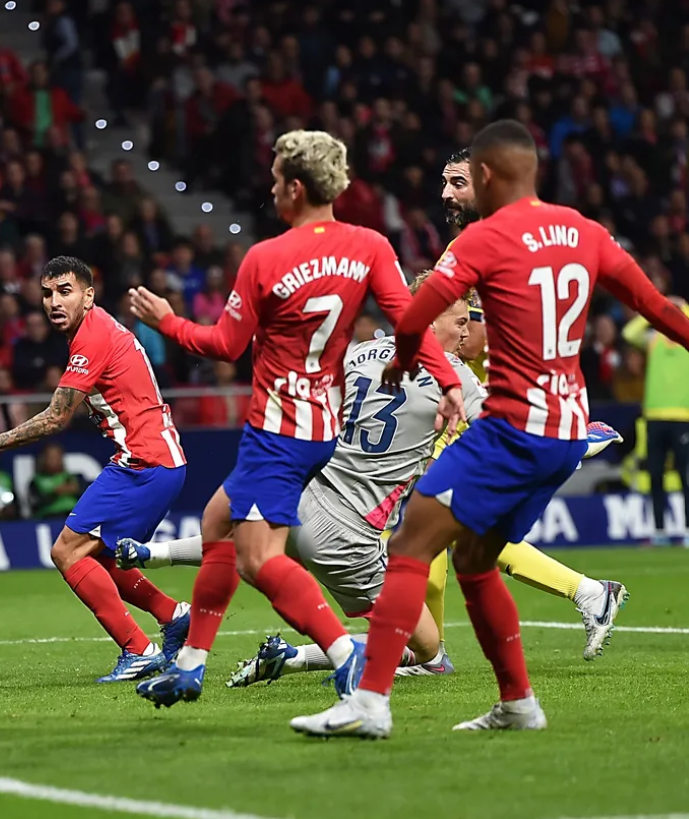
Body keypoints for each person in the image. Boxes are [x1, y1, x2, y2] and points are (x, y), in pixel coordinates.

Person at [291, 120, 689, 739]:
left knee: (409, 548)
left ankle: (369, 704)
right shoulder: (585, 233)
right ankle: (518, 703)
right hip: (561, 429)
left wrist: (398, 365)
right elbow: (659, 310)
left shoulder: (485, 240)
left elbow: (417, 312)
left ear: (488, 174)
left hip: (508, 428)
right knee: (474, 559)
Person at [126, 130, 466, 707]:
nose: (273, 188)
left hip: (277, 429)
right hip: (319, 427)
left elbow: (225, 345)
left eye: (279, 178)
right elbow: (410, 322)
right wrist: (452, 382)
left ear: (297, 186)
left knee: (259, 559)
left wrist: (167, 322)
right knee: (217, 522)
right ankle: (191, 663)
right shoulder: (370, 246)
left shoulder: (266, 257)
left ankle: (341, 649)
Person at [123, 271, 485, 682]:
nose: (465, 332)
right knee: (428, 650)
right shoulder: (457, 376)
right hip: (350, 532)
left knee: (243, 542)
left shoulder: (362, 353)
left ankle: (154, 554)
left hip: (304, 492)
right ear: (432, 317)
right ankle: (303, 657)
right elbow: (503, 431)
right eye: (459, 322)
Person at [0, 256, 191, 684]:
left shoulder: (92, 336)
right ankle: (174, 617)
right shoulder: (98, 328)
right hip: (156, 461)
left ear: (88, 295)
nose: (53, 301)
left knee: (66, 551)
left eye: (65, 291)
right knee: (99, 556)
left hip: (144, 463)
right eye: (47, 293)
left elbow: (56, 418)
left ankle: (138, 649)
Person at [432, 148, 628, 663]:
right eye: (444, 182)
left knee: (437, 524)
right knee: (458, 531)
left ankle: (427, 652)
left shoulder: (474, 245)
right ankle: (589, 593)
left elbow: (468, 336)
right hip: (500, 404)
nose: (445, 194)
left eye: (456, 182)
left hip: (485, 412)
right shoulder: (539, 237)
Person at [622, 295, 689, 546]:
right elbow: (629, 333)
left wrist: (682, 306)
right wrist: (658, 306)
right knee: (655, 475)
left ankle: (687, 530)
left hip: (683, 417)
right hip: (654, 417)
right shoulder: (654, 339)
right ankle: (659, 530)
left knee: (686, 477)